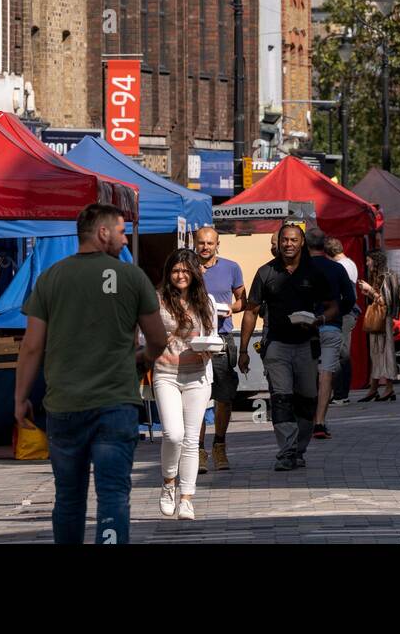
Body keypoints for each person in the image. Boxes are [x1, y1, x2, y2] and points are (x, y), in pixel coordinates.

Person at [16, 204, 167, 545]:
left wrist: (20, 397)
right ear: (103, 233)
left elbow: (31, 346)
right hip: (116, 404)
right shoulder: (132, 277)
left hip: (65, 405)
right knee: (113, 495)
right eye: (121, 230)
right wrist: (141, 359)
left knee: (68, 498)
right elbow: (158, 339)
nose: (125, 238)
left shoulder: (50, 278)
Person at [239, 223, 336, 471]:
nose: (289, 244)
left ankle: (299, 449)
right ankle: (286, 451)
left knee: (307, 400)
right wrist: (243, 350)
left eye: (294, 240)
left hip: (306, 344)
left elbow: (333, 305)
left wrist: (319, 320)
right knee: (281, 398)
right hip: (277, 346)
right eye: (285, 240)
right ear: (278, 243)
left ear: (301, 242)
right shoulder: (265, 273)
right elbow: (251, 311)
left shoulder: (313, 272)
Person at [152, 249, 215, 522]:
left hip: (197, 376)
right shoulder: (157, 300)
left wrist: (209, 349)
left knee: (191, 440)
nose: (181, 275)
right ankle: (168, 484)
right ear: (169, 274)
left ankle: (187, 498)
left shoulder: (206, 301)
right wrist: (158, 339)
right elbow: (144, 335)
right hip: (165, 373)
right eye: (176, 270)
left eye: (186, 270)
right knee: (173, 434)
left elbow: (212, 336)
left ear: (194, 274)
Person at [193, 225, 245, 474]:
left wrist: (227, 309)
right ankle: (199, 451)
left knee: (223, 396)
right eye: (201, 243)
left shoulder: (231, 267)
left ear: (217, 245)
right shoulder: (187, 268)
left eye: (210, 243)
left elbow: (242, 300)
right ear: (195, 243)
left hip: (222, 338)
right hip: (194, 339)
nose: (205, 247)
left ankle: (219, 445)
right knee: (197, 398)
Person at [304, 227, 355, 438]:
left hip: (305, 327)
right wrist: (337, 314)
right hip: (331, 326)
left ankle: (306, 418)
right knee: (326, 373)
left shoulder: (301, 268)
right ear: (324, 246)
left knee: (306, 373)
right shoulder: (337, 269)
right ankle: (320, 422)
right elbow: (350, 299)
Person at [357, 249, 400, 402]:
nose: (367, 263)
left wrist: (370, 290)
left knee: (386, 352)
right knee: (376, 352)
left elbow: (386, 302)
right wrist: (369, 292)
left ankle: (388, 387)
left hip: (384, 319)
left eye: (369, 260)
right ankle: (374, 387)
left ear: (375, 261)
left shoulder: (387, 276)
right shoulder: (378, 276)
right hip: (378, 319)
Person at [325, 236, 359, 405]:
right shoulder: (350, 263)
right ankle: (340, 393)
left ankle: (340, 394)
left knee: (341, 354)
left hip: (344, 314)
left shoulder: (340, 267)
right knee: (342, 353)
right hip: (349, 313)